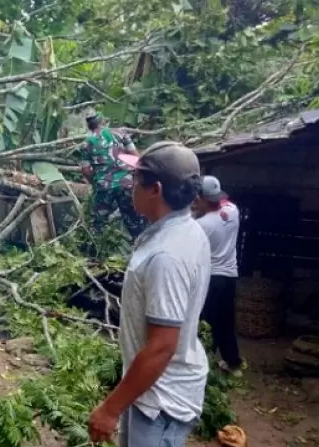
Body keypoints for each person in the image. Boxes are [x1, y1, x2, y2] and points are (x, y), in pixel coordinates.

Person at [88, 142, 210, 446]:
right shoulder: (185, 231)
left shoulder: (167, 255)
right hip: (152, 392)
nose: (129, 186)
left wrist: (109, 409)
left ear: (155, 190)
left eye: (134, 179)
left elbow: (161, 347)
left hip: (162, 402)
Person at [194, 175, 243, 377]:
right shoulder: (233, 211)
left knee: (207, 323)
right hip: (230, 275)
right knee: (226, 321)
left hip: (212, 279)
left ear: (202, 199)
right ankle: (233, 363)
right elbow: (223, 203)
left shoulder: (202, 225)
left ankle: (203, 367)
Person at [79, 112, 147, 239]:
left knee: (98, 224)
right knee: (134, 220)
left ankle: (97, 253)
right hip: (126, 184)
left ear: (89, 126)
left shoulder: (86, 144)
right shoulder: (121, 134)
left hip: (103, 186)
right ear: (102, 121)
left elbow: (86, 170)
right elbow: (136, 157)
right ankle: (140, 245)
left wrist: (96, 182)